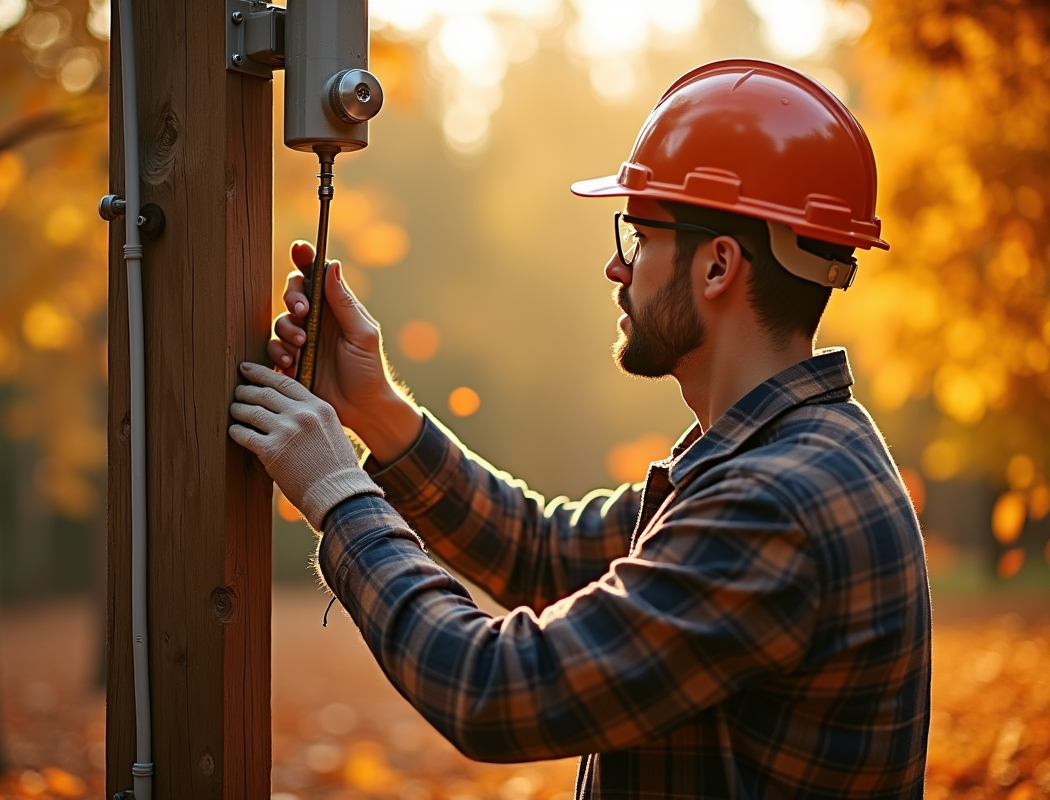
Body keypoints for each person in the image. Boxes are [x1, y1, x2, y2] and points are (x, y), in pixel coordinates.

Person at [229, 59, 931, 799]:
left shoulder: (777, 503)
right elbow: (546, 550)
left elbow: (496, 693)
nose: (614, 267)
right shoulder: (779, 455)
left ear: (719, 266)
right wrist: (376, 411)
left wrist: (340, 495)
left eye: (639, 236)